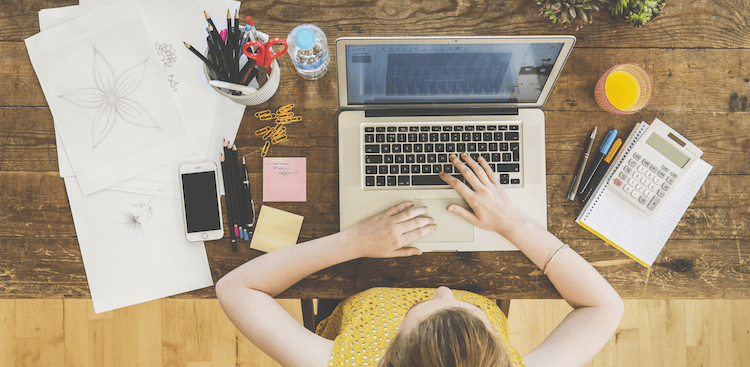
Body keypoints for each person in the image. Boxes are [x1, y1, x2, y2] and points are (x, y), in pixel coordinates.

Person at [216, 152, 624, 367]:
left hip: (356, 283)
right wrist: (515, 225)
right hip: (481, 274)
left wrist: (354, 240)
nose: (443, 290)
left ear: (390, 354)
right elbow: (604, 307)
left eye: (422, 309)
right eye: (466, 312)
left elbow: (235, 288)